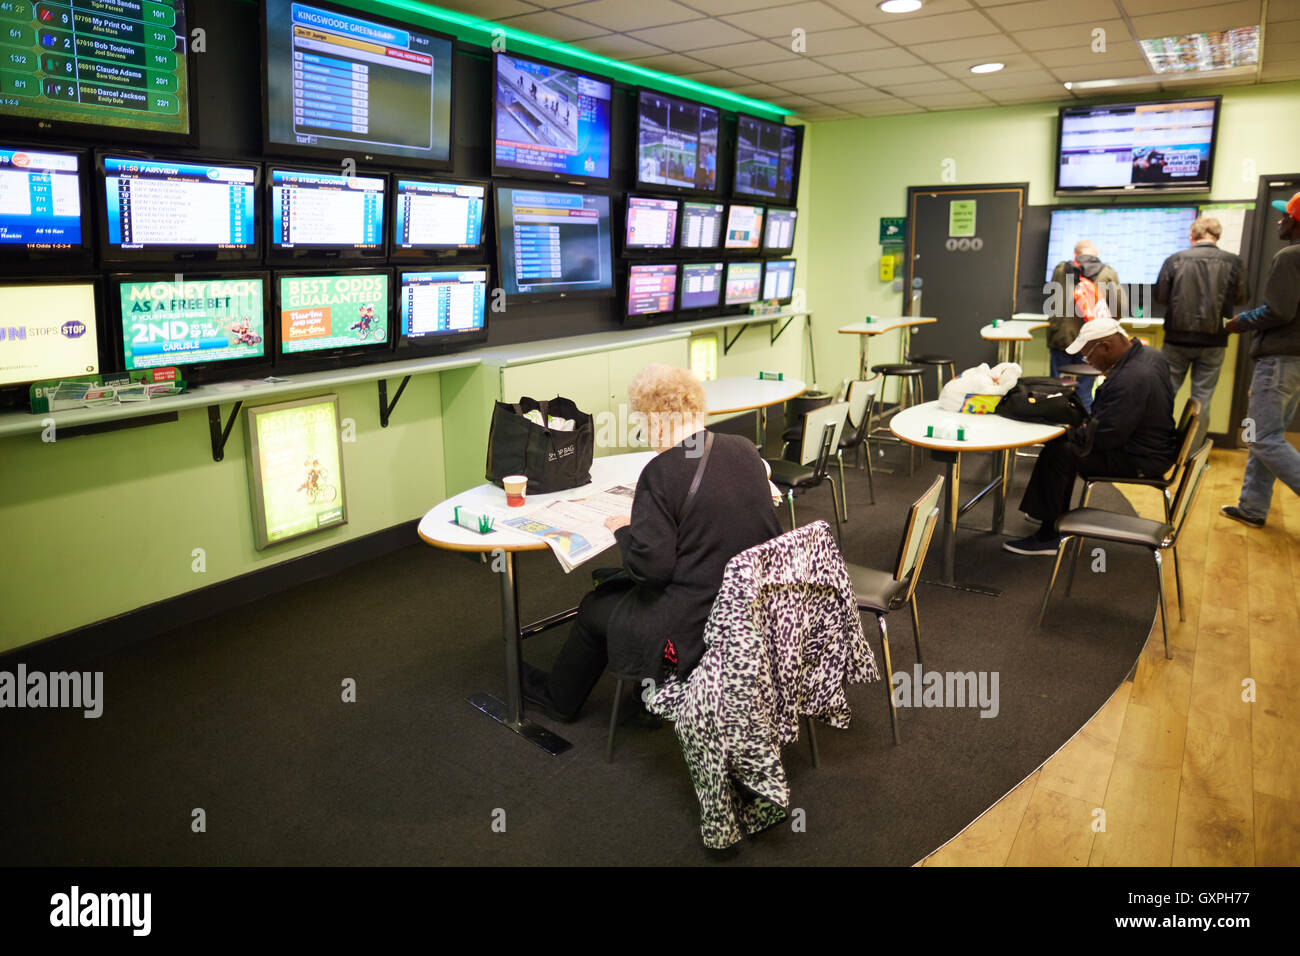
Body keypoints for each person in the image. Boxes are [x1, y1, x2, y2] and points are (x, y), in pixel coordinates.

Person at [523, 364, 782, 720]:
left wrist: (624, 530)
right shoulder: (743, 449)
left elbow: (652, 571)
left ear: (657, 422)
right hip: (754, 608)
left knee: (595, 606)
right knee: (616, 588)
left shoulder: (661, 472)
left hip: (698, 622)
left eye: (643, 425)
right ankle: (643, 698)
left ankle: (559, 700)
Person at [1004, 318, 1179, 555]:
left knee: (1060, 453)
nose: (1089, 362)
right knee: (1062, 443)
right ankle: (1048, 513)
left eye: (1089, 355)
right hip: (1153, 447)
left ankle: (1048, 536)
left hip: (1141, 459)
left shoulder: (1131, 379)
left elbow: (1106, 438)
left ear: (1107, 346)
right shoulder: (1148, 355)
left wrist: (1072, 433)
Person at [1220, 192, 1300, 529]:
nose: (1280, 221)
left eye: (1285, 216)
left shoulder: (1289, 256)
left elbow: (1279, 310)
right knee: (1266, 433)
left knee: (1262, 438)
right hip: (1294, 363)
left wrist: (1241, 322)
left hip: (1279, 361)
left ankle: (1252, 506)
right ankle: (1252, 507)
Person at [1156, 216, 1247, 451]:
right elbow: (1241, 297)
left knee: (1165, 393)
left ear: (1191, 236)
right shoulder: (1234, 262)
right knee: (1202, 398)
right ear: (1217, 236)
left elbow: (1161, 297)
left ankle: (1157, 445)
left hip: (1176, 339)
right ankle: (1192, 451)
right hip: (1215, 340)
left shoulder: (1174, 260)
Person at [1047, 240, 1127, 412]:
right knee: (1085, 389)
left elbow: (1052, 300)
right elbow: (1119, 306)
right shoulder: (1108, 273)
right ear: (1095, 253)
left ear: (1075, 254)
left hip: (1062, 338)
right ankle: (1085, 431)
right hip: (1093, 342)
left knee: (1058, 388)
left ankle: (1057, 430)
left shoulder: (1061, 270)